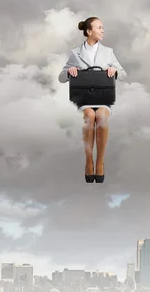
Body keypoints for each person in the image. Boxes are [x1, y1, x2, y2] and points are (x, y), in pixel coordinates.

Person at [58, 17, 127, 183]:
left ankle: (99, 161)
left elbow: (124, 74)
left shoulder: (108, 52)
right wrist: (70, 71)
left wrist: (114, 70)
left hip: (103, 98)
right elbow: (61, 77)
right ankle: (89, 160)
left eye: (103, 27)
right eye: (99, 28)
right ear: (89, 31)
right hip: (84, 99)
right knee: (90, 116)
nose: (103, 30)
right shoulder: (76, 53)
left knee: (101, 117)